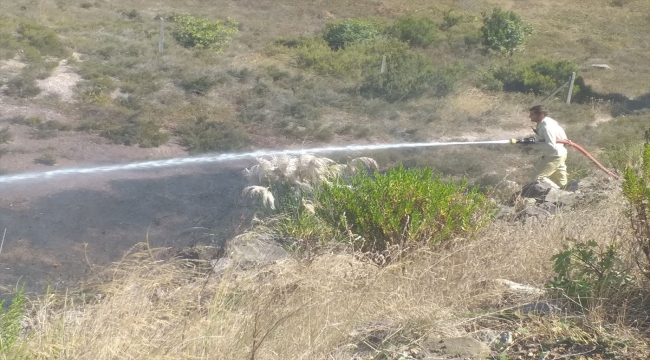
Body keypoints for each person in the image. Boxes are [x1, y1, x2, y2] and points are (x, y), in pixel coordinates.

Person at [527, 105, 568, 188]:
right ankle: (568, 192)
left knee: (538, 178)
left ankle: (557, 192)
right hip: (558, 153)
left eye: (532, 114)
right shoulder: (548, 122)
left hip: (554, 155)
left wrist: (532, 146)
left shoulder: (547, 126)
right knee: (561, 179)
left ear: (540, 115)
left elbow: (551, 145)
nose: (529, 116)